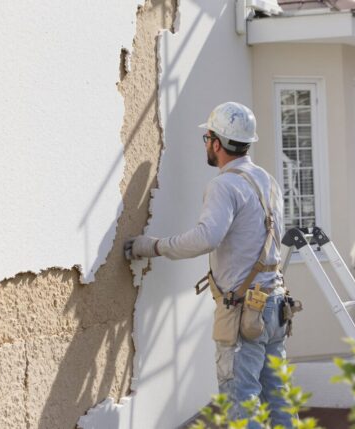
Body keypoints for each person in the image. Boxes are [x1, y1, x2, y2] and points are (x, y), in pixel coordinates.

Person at [125, 102, 293, 427]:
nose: (205, 143)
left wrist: (155, 246)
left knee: (241, 404)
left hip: (245, 313)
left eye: (207, 137)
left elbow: (206, 237)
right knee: (279, 401)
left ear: (217, 143)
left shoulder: (224, 185)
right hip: (274, 306)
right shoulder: (267, 181)